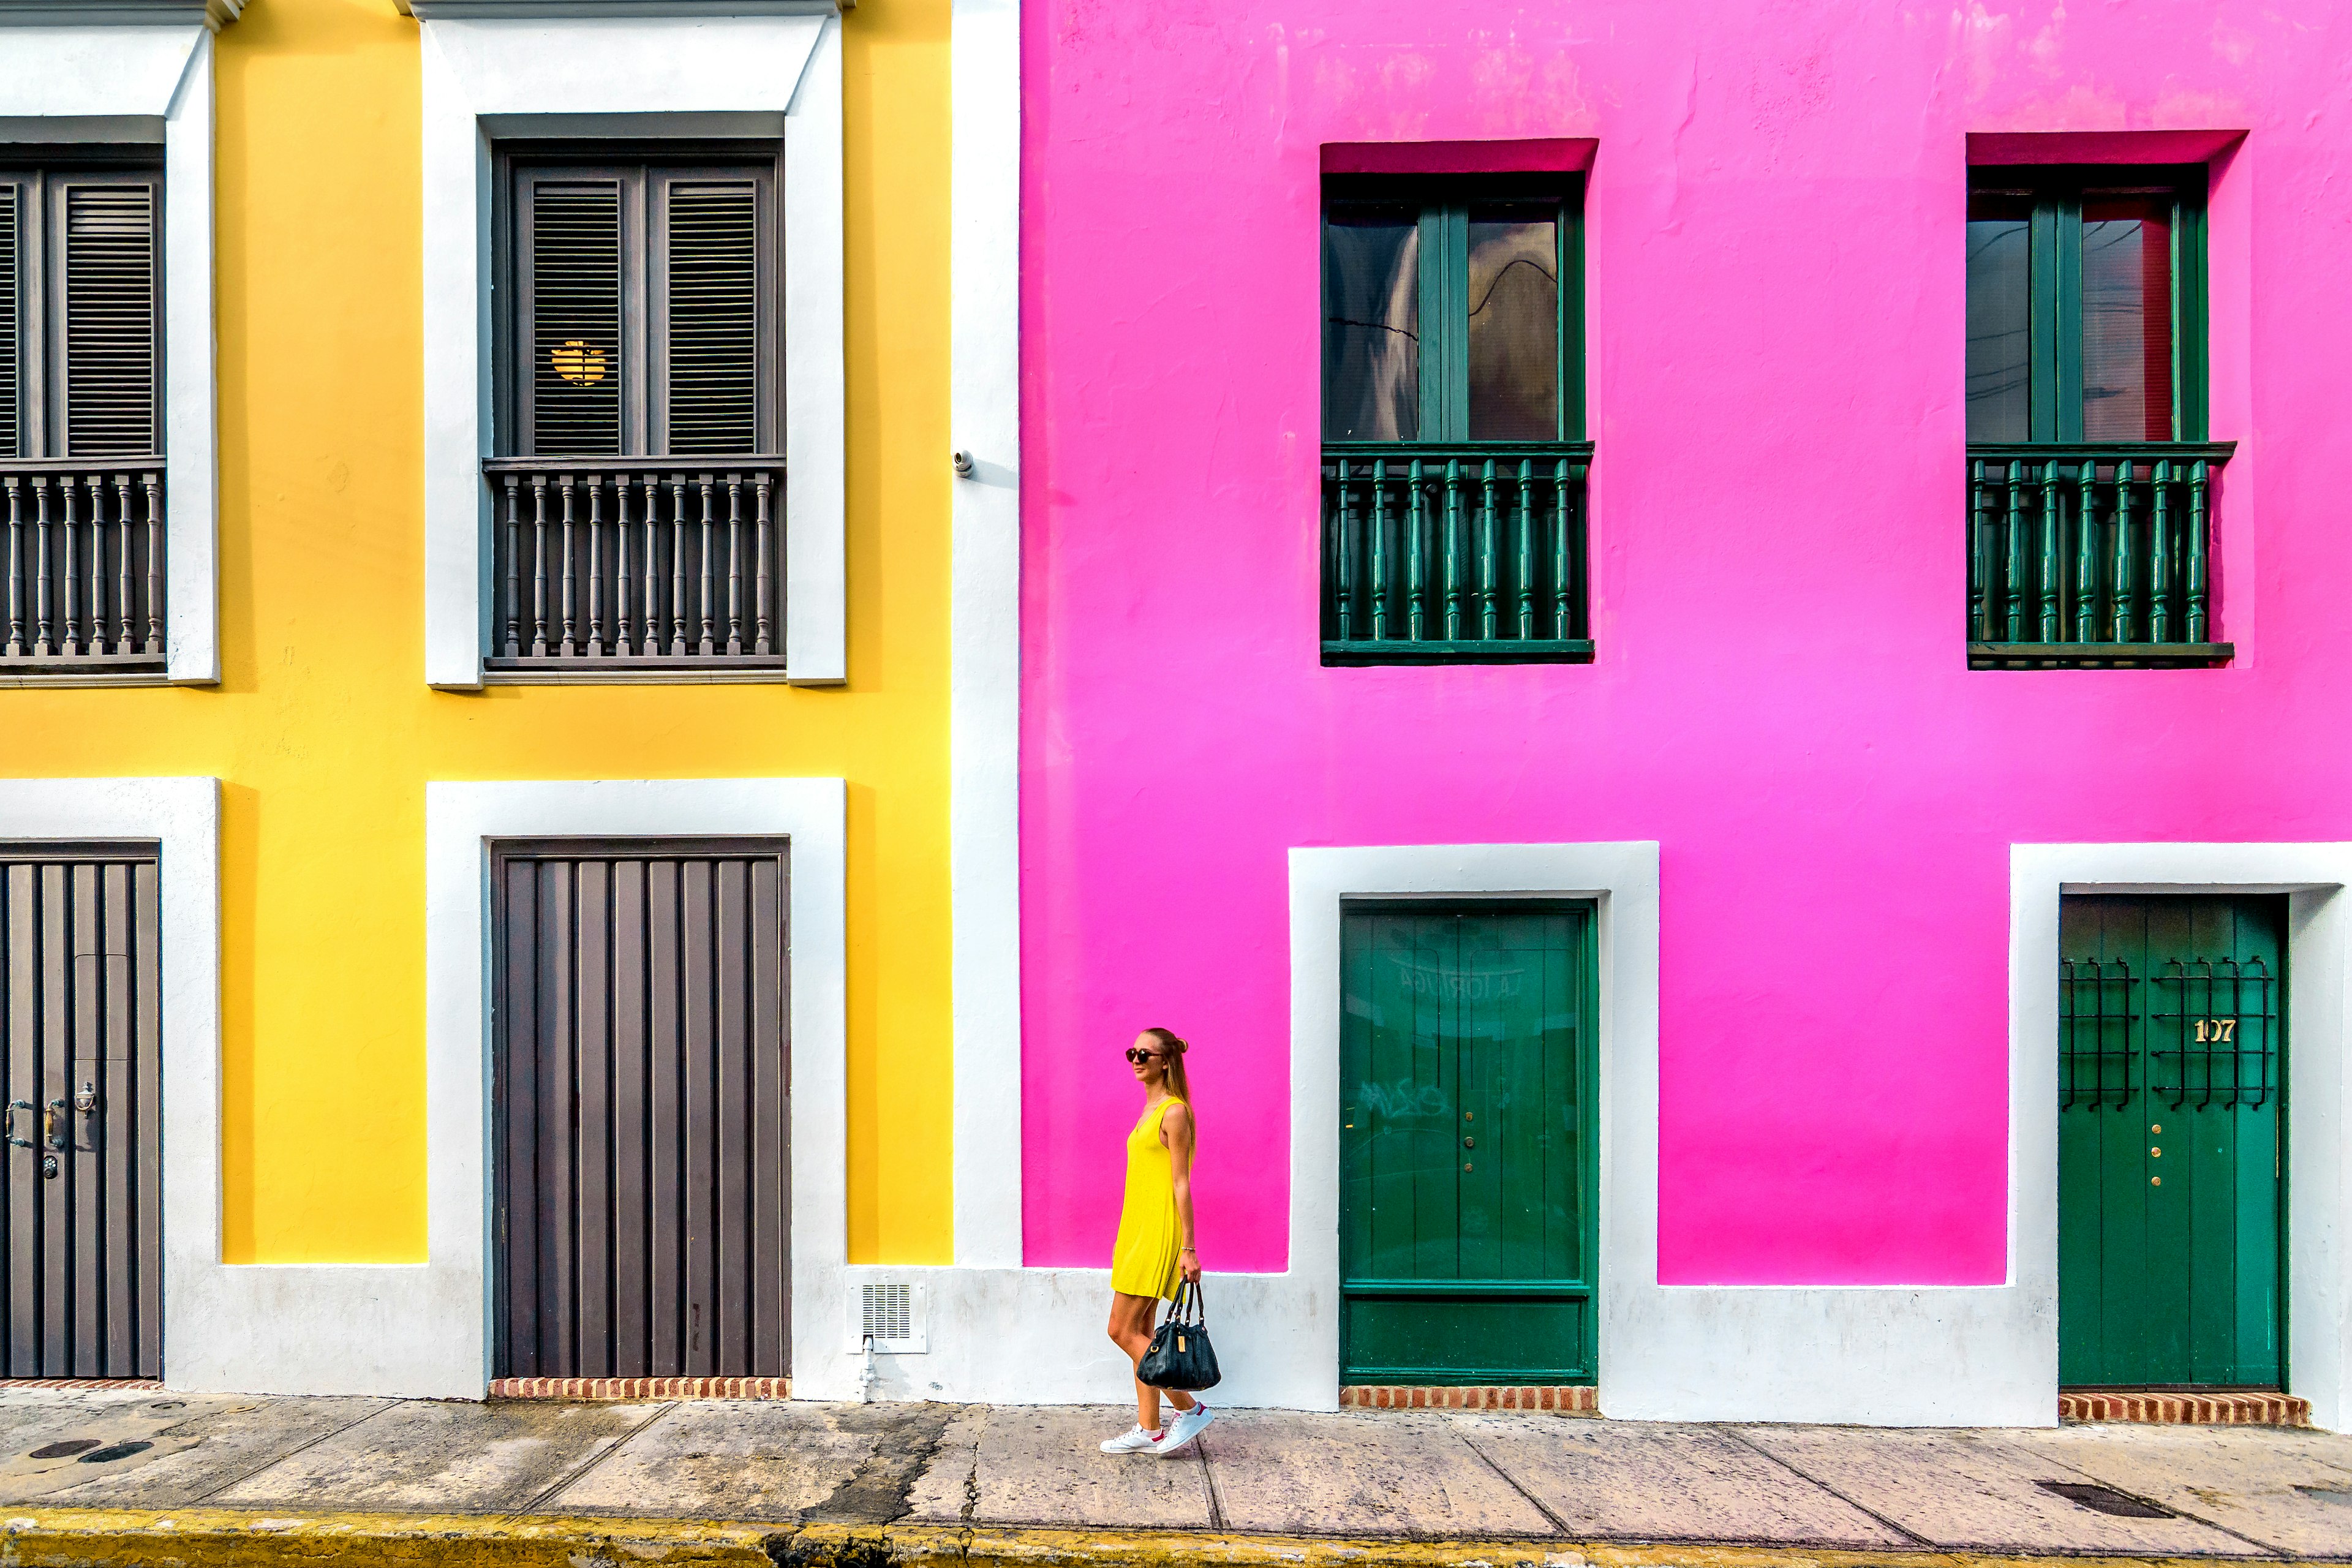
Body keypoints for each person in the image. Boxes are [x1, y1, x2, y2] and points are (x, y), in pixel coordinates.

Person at [1099, 1027, 1213, 1457]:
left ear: (1166, 1061)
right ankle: (1149, 1428)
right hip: (1136, 1229)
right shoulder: (1150, 1111)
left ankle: (1190, 1408)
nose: (1136, 1059)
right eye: (1132, 1052)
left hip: (1156, 1232)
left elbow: (1182, 1184)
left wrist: (1189, 1247)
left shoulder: (1174, 1112)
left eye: (1145, 1054)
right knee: (1142, 1331)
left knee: (1120, 1329)